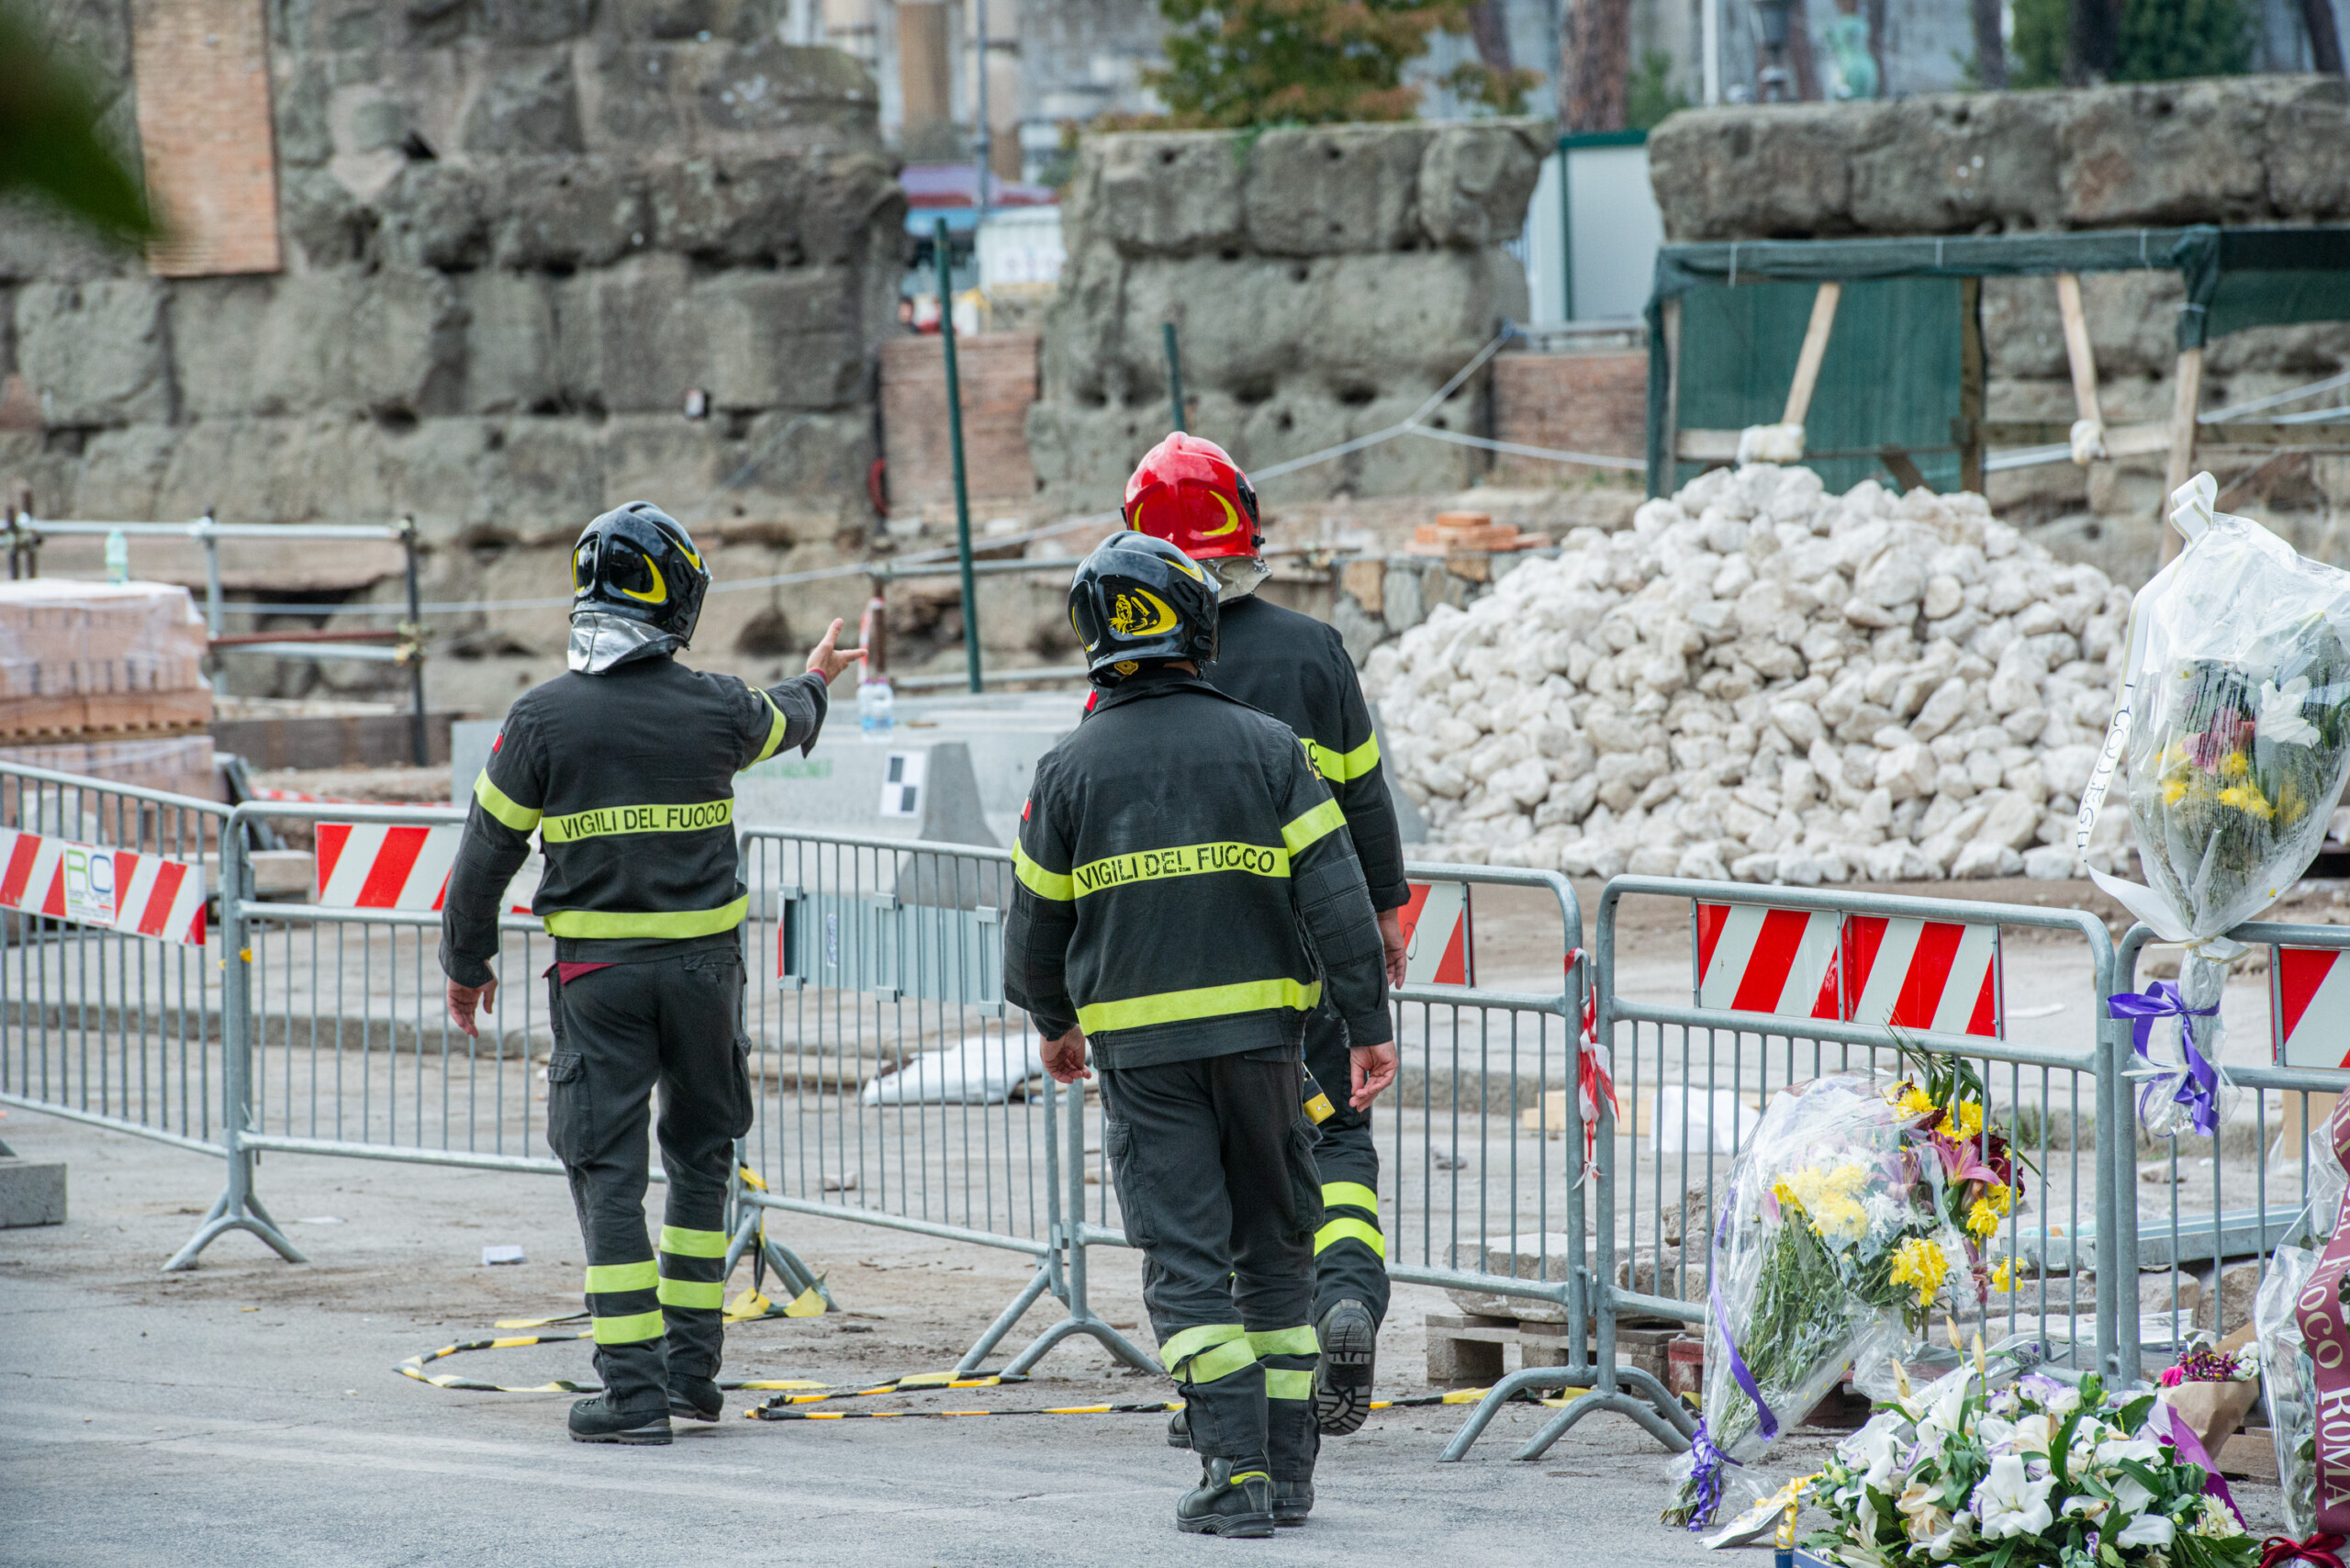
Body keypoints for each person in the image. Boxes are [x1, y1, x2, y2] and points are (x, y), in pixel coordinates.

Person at [438, 500, 863, 1446]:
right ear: (675, 597)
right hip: (707, 978)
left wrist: (465, 964)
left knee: (607, 1171)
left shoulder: (540, 720)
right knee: (702, 1160)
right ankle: (691, 1374)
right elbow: (785, 719)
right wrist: (818, 678)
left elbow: (481, 859)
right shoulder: (714, 706)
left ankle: (630, 1389)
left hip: (600, 982)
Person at [1003, 531, 1397, 1535]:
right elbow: (1342, 897)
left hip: (1144, 1065)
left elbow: (1031, 931)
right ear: (1199, 622)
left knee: (1185, 1261)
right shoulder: (1269, 747)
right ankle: (1288, 1469)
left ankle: (1234, 1473)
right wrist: (1365, 1022)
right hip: (1268, 1049)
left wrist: (1054, 1021)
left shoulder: (1068, 769)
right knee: (1276, 1247)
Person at [1121, 432, 1410, 1437]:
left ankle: (1224, 1387)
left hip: (1180, 964)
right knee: (1333, 1141)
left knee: (1213, 1174)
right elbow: (1365, 794)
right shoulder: (1311, 649)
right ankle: (1345, 1297)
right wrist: (1382, 918)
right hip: (1313, 952)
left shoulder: (1125, 662)